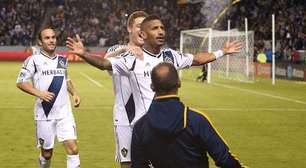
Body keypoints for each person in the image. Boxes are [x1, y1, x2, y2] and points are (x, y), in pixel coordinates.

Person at [66, 13, 241, 164]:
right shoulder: (132, 58)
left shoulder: (170, 55)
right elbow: (105, 63)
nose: (161, 31)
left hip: (168, 126)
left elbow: (196, 59)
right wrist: (83, 54)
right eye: (155, 28)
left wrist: (221, 52)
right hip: (142, 129)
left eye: (162, 28)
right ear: (143, 34)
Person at [131, 62, 246, 168]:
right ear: (179, 83)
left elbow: (138, 165)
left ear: (152, 87)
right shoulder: (196, 120)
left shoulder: (140, 126)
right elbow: (224, 159)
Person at [16, 27, 81, 168]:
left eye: (53, 37)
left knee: (73, 149)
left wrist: (74, 93)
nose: (51, 40)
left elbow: (66, 79)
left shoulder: (62, 60)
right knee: (47, 154)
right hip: (44, 113)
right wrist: (39, 93)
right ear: (40, 42)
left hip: (65, 113)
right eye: (47, 38)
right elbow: (20, 82)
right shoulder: (33, 60)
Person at [104, 11, 148, 168]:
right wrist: (124, 50)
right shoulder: (117, 50)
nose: (142, 30)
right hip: (123, 117)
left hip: (147, 116)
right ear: (130, 28)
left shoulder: (152, 53)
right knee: (127, 163)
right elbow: (104, 62)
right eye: (138, 26)